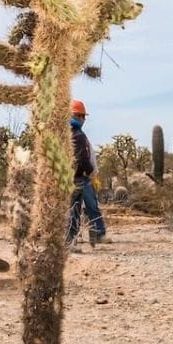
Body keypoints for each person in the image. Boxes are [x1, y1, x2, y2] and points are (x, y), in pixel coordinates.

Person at [66, 99, 107, 247]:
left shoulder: (69, 133)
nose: (84, 119)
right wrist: (90, 172)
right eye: (83, 116)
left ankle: (72, 241)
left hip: (71, 178)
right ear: (78, 116)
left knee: (75, 209)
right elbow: (82, 158)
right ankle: (97, 234)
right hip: (81, 178)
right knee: (89, 207)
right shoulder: (77, 135)